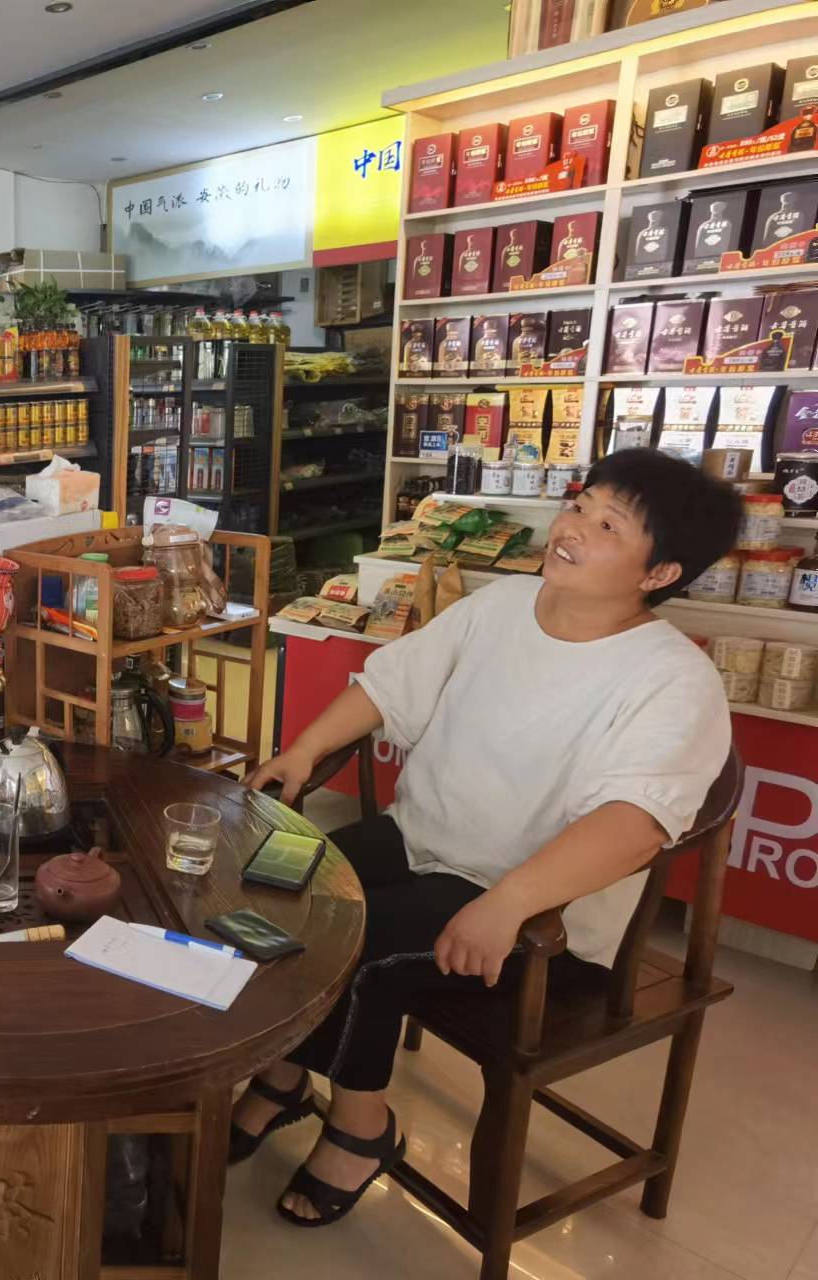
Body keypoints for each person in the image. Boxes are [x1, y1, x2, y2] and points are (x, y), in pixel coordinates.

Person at [238, 449, 740, 1227]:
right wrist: (303, 751)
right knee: (269, 887)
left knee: (354, 942)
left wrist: (509, 902)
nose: (572, 528)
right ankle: (283, 1076)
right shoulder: (504, 603)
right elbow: (391, 683)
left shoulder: (671, 678)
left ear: (660, 572)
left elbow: (633, 826)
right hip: (418, 837)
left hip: (538, 909)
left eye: (609, 525)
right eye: (579, 505)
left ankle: (362, 1129)